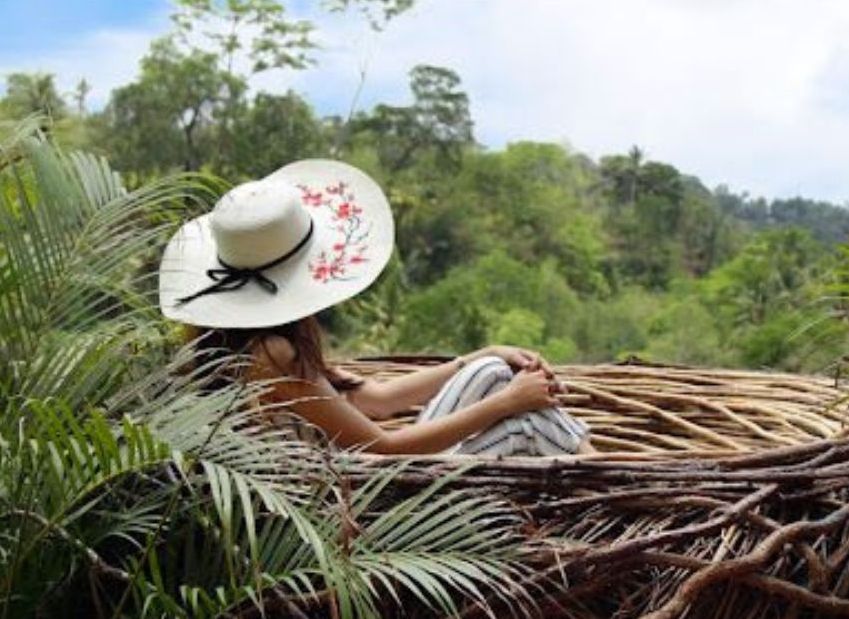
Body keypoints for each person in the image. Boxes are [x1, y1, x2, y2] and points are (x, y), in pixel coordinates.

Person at [158, 159, 592, 456]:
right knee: (523, 422)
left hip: (368, 481)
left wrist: (480, 355)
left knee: (492, 370)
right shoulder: (272, 355)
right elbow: (382, 448)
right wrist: (506, 405)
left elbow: (378, 401)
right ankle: (612, 475)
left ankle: (592, 460)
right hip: (366, 504)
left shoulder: (241, 346)